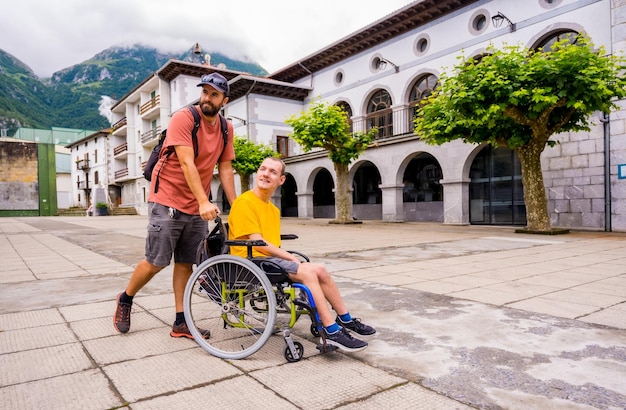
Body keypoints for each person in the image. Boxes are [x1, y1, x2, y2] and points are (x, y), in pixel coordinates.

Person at [114, 72, 237, 339]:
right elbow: (186, 162)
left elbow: (225, 167)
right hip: (167, 198)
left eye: (214, 94)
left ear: (224, 100)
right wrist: (204, 200)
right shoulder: (184, 118)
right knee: (156, 262)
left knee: (186, 263)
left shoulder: (227, 129)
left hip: (196, 204)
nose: (207, 98)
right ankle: (125, 298)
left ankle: (181, 321)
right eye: (204, 92)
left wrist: (236, 205)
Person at [227, 157, 376, 352]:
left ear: (281, 180)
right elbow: (259, 243)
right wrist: (289, 257)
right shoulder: (244, 202)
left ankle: (345, 319)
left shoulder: (272, 209)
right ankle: (331, 331)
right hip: (248, 262)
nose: (265, 174)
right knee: (306, 272)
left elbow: (270, 244)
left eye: (272, 171)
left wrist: (286, 257)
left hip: (265, 260)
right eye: (262, 169)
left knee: (320, 269)